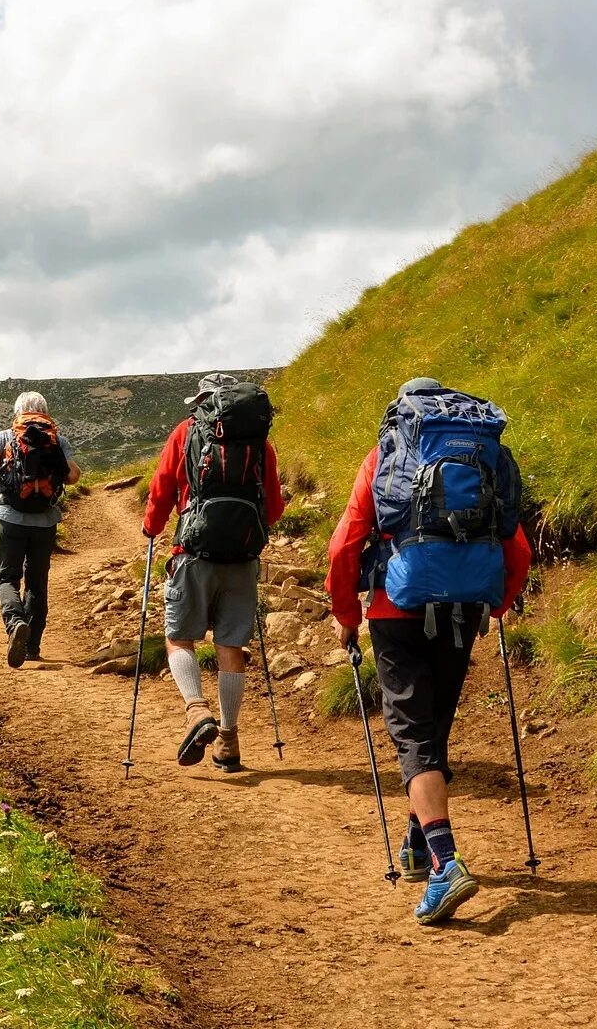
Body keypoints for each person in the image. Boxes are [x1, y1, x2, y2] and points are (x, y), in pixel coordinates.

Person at [326, 377, 532, 925]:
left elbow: (346, 541)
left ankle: (444, 863)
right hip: (464, 610)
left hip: (396, 610)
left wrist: (347, 615)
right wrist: (496, 605)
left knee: (413, 736)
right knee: (434, 731)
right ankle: (418, 845)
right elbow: (517, 545)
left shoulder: (385, 456)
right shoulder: (486, 456)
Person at [142, 372, 285, 773]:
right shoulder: (260, 443)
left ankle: (195, 710)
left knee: (178, 637)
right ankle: (229, 738)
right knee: (230, 647)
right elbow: (272, 508)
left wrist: (152, 526)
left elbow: (162, 488)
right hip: (241, 557)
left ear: (203, 401)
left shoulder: (186, 432)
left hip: (193, 551)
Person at [0, 392, 81, 667]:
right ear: (44, 412)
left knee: (6, 578)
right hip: (45, 521)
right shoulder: (57, 440)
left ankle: (15, 624)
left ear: (18, 413)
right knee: (37, 582)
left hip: (10, 517)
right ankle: (32, 646)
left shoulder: (4, 436)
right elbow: (72, 477)